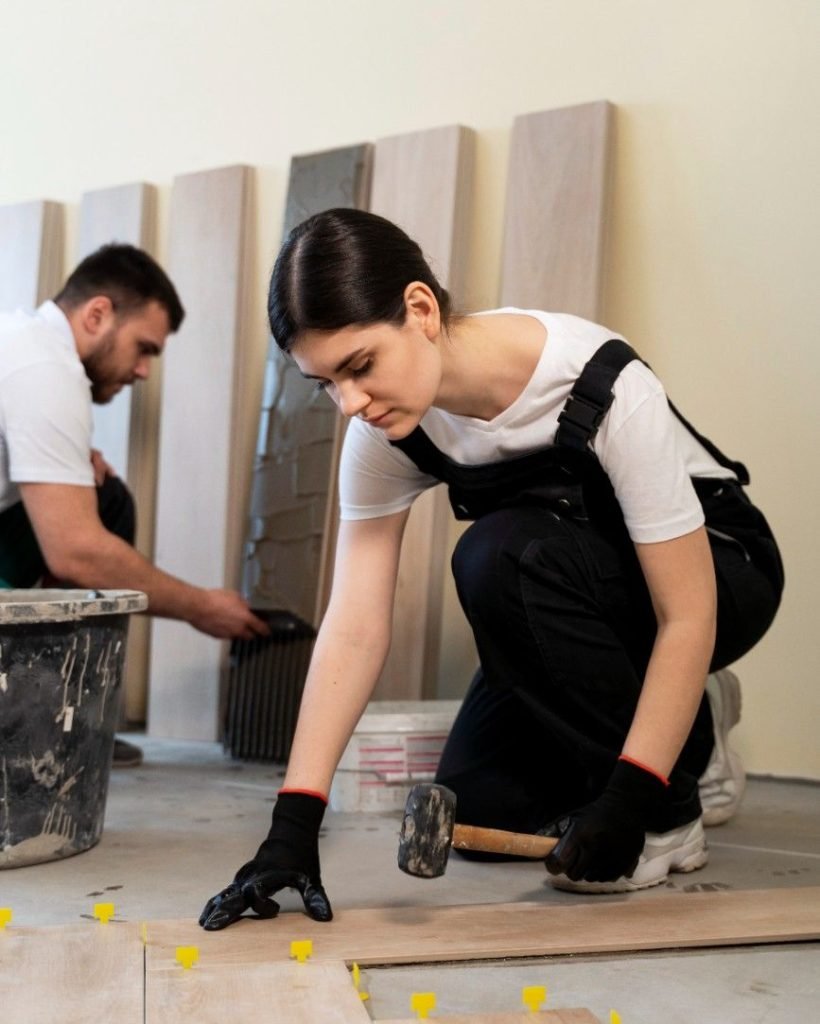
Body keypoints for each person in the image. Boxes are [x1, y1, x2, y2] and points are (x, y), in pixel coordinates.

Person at [199, 209, 783, 930]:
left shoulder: (598, 382)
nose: (349, 404)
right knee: (482, 807)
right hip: (577, 593)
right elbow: (353, 626)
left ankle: (672, 805)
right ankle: (688, 724)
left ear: (419, 310)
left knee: (498, 555)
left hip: (721, 575)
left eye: (358, 366)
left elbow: (686, 613)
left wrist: (631, 800)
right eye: (324, 383)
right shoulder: (384, 433)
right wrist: (293, 823)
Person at [0, 244, 268, 765]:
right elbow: (75, 553)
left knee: (106, 499)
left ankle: (68, 718)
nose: (144, 370)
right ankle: (53, 730)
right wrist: (201, 607)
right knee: (94, 528)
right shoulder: (45, 370)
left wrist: (75, 466)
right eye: (144, 348)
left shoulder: (22, 342)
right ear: (97, 313)